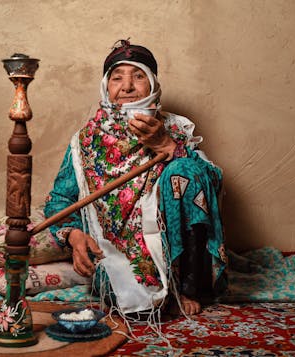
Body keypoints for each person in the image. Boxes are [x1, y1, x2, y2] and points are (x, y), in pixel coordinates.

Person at [43, 40, 227, 318]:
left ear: (153, 85)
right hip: (112, 247)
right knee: (134, 306)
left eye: (138, 76)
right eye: (117, 78)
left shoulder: (176, 128)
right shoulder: (84, 142)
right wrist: (74, 235)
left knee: (187, 171)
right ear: (106, 88)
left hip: (170, 247)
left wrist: (168, 147)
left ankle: (187, 287)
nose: (127, 87)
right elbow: (59, 199)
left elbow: (212, 183)